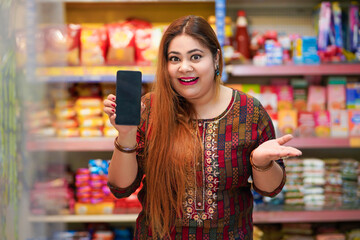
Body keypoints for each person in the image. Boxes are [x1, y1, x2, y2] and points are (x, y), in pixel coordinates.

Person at [103, 15, 302, 240]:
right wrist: (126, 135)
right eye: (174, 59)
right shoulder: (149, 108)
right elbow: (121, 188)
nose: (184, 67)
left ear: (216, 58)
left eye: (195, 57)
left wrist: (260, 163)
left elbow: (271, 189)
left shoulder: (249, 111)